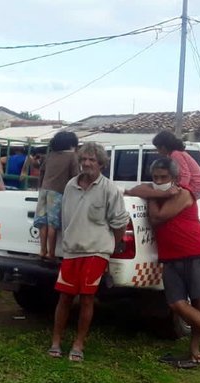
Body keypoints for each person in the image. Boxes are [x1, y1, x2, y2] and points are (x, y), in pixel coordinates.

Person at [48, 142, 129, 361]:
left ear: (101, 163)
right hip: (72, 250)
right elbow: (65, 217)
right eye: (83, 159)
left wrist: (114, 245)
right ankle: (56, 341)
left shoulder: (109, 189)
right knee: (64, 297)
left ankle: (78, 344)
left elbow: (119, 222)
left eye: (92, 159)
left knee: (86, 298)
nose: (86, 163)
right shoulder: (70, 186)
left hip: (96, 250)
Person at [147, 157, 200, 363]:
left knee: (197, 300)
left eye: (163, 177)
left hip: (194, 251)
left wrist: (150, 196)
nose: (159, 181)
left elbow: (158, 217)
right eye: (156, 177)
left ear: (174, 177)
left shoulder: (183, 193)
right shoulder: (160, 194)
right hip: (170, 256)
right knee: (177, 303)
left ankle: (195, 351)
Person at [34, 131, 80, 260]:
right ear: (72, 144)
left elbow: (41, 172)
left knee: (42, 222)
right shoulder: (72, 156)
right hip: (58, 192)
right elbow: (76, 176)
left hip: (44, 190)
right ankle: (51, 253)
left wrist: (40, 187)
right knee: (52, 224)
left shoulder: (50, 155)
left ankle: (42, 251)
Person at [127, 130, 200, 200]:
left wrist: (178, 189)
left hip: (195, 188)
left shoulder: (176, 154)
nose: (157, 151)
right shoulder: (174, 153)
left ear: (163, 147)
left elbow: (185, 175)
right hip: (195, 187)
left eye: (157, 148)